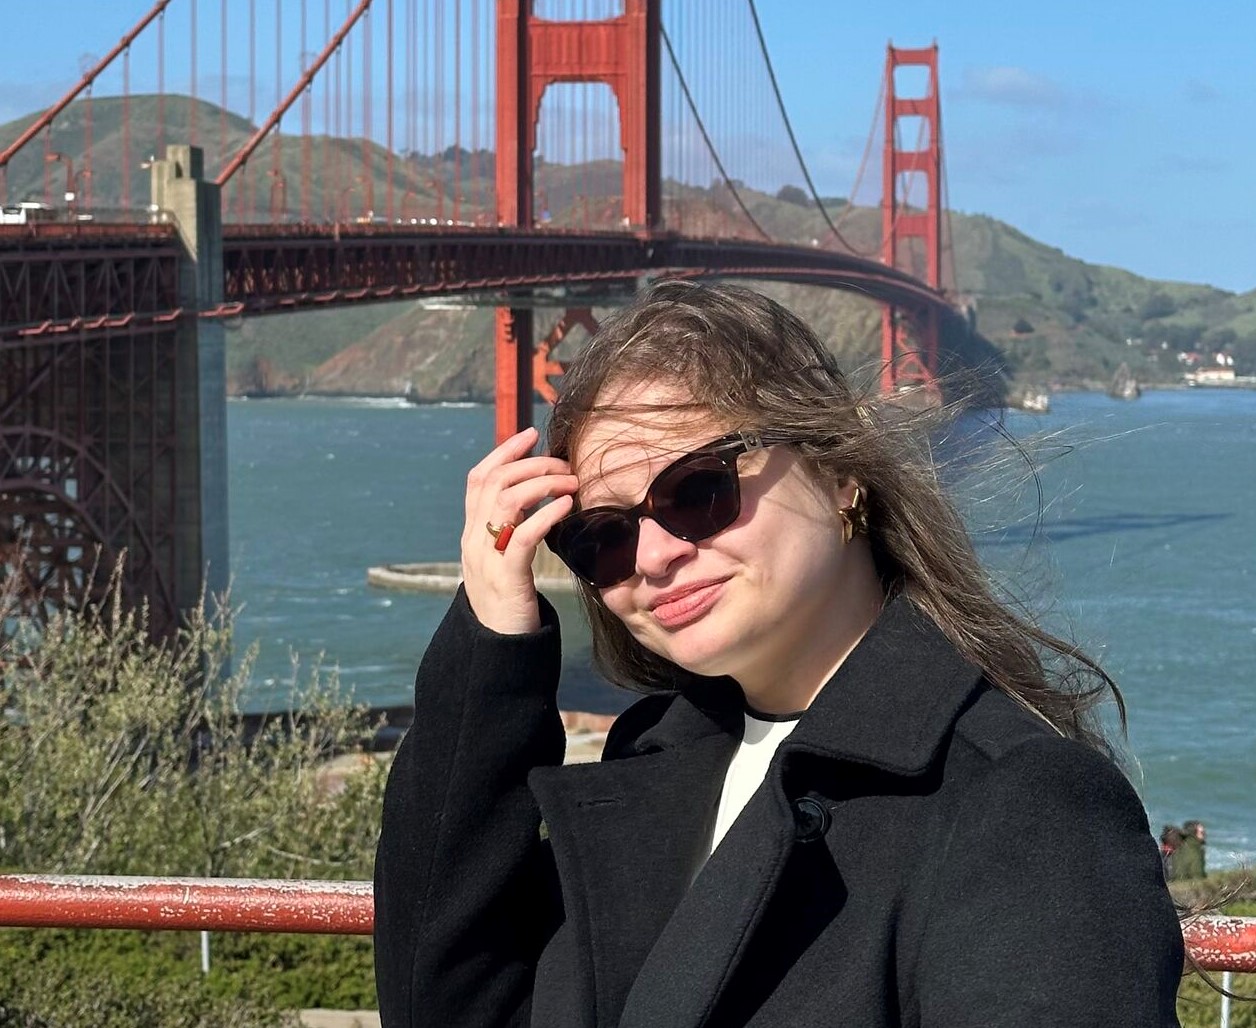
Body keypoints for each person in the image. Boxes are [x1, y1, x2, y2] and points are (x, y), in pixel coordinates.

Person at [374, 281, 1183, 1027]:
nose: (652, 556)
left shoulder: (1022, 806)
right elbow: (452, 1008)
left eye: (698, 490)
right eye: (603, 538)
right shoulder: (654, 762)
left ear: (840, 474)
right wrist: (494, 636)